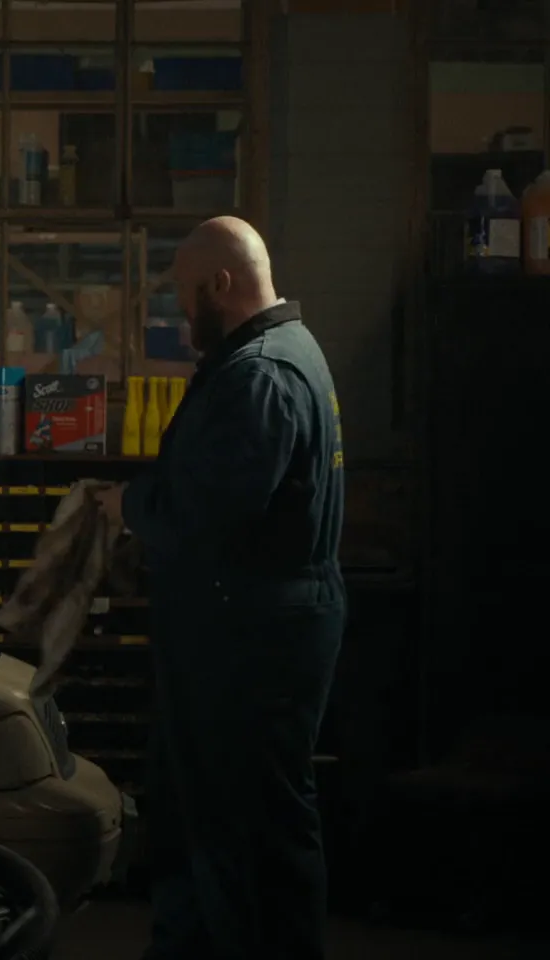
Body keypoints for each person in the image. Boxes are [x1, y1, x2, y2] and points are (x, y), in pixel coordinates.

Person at [94, 217, 346, 960]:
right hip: (251, 624)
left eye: (183, 292)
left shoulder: (259, 376)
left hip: (250, 637)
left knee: (250, 829)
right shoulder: (285, 351)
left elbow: (206, 515)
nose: (180, 311)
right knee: (210, 815)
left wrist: (129, 506)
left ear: (220, 284)